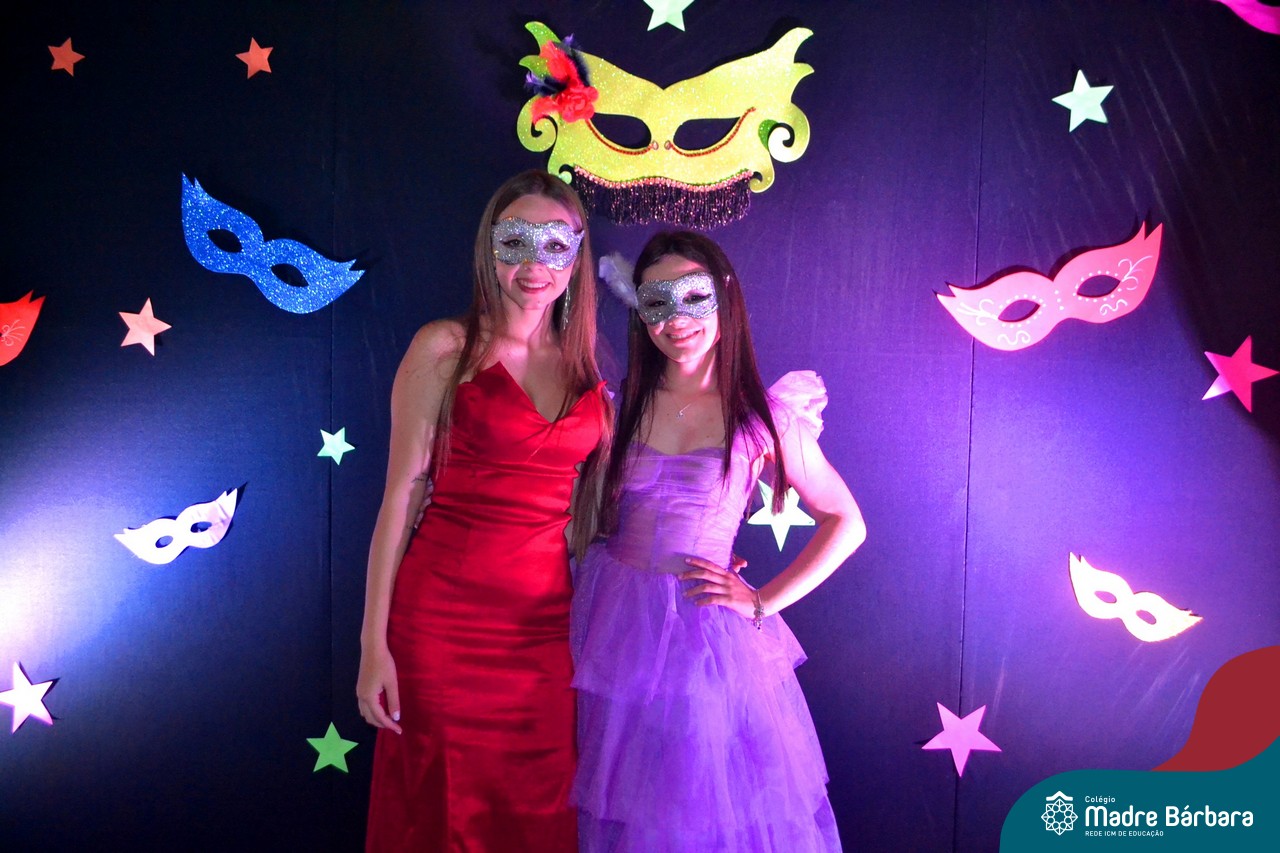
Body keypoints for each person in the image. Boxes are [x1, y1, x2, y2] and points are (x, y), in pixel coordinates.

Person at [570, 231, 866, 851]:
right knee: (630, 809)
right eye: (657, 302)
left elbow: (846, 521)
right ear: (640, 312)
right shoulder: (618, 406)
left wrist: (761, 601)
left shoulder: (760, 413)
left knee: (699, 808)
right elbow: (583, 516)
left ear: (724, 295)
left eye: (693, 296)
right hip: (617, 625)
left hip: (705, 639)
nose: (676, 318)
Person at [357, 170, 611, 851]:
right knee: (443, 816)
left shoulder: (586, 368)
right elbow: (401, 496)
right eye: (515, 241)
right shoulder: (445, 347)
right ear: (488, 248)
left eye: (554, 244)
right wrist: (372, 644)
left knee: (541, 813)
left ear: (576, 256)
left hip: (545, 636)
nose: (533, 263)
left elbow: (612, 504)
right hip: (442, 628)